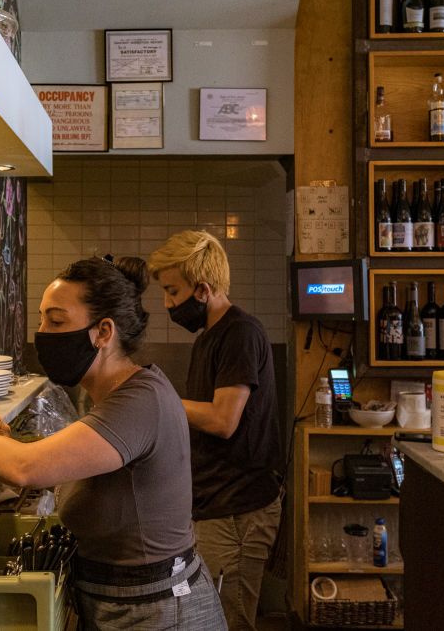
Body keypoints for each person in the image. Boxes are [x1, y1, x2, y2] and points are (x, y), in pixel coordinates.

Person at [0, 257, 226, 630]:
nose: (44, 332)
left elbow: (28, 468)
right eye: (42, 320)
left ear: (104, 332)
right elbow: (61, 467)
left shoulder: (140, 400)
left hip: (157, 611)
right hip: (124, 604)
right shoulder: (115, 395)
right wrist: (10, 443)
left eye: (57, 321)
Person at [148, 231, 282, 631]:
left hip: (239, 508)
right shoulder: (211, 337)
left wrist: (161, 399)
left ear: (202, 289)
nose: (169, 304)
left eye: (173, 292)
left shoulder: (240, 333)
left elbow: (223, 421)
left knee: (229, 619)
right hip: (217, 503)